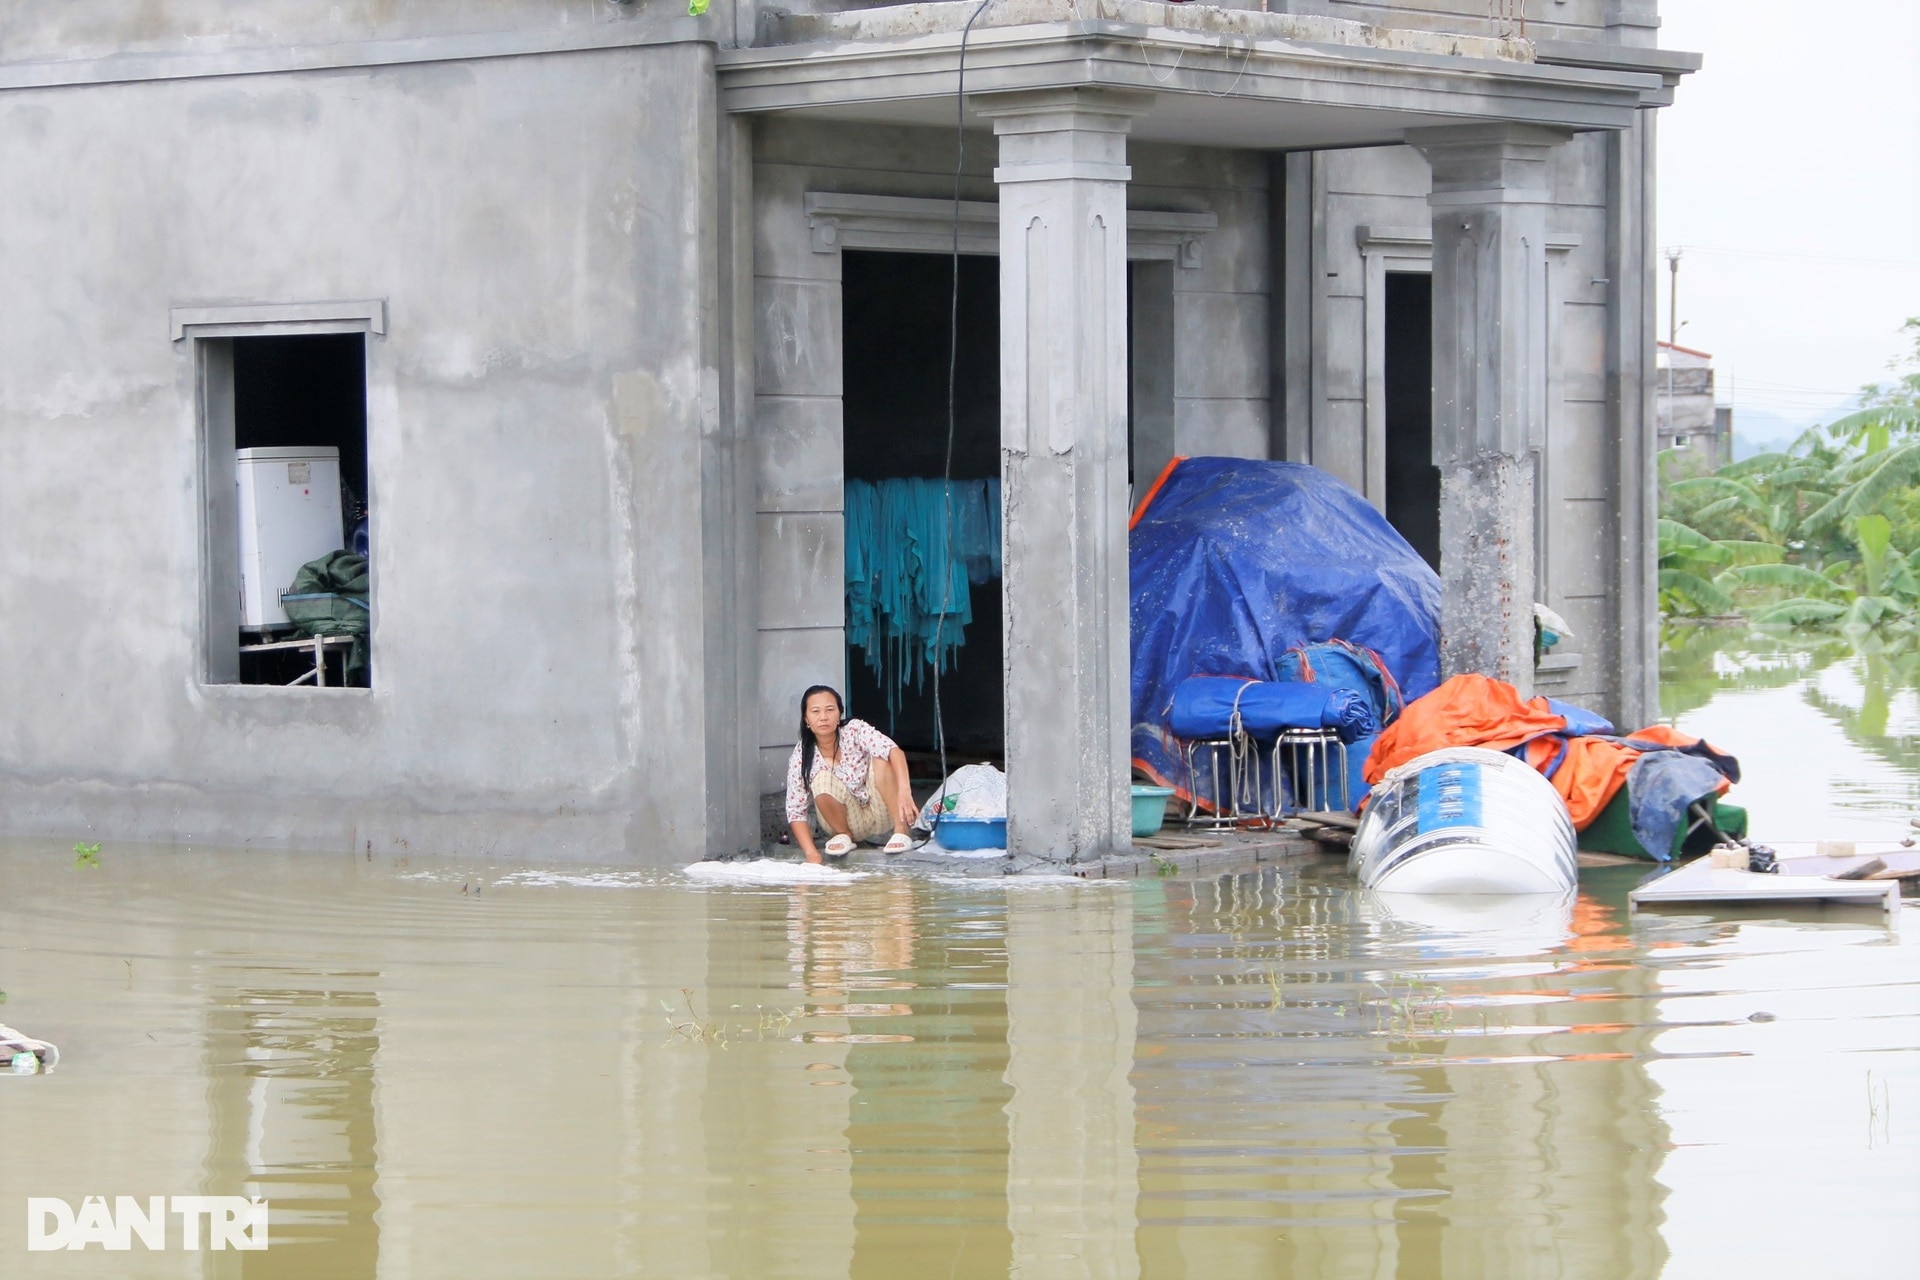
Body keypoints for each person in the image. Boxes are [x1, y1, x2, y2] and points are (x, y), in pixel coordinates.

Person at [785, 685, 918, 863]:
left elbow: (894, 751)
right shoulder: (801, 755)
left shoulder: (854, 730)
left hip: (880, 811)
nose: (823, 717)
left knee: (882, 757)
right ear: (806, 719)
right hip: (843, 823)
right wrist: (812, 854)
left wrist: (904, 791)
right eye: (815, 711)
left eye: (830, 710)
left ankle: (901, 831)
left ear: (839, 713)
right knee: (821, 779)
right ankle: (844, 835)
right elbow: (795, 811)